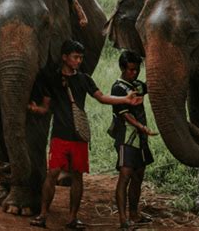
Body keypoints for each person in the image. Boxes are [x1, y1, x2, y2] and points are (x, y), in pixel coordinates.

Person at [28, 40, 143, 230]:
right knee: (53, 173)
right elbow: (46, 107)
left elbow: (102, 98)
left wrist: (125, 99)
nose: (79, 61)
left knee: (77, 176)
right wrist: (35, 109)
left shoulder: (84, 79)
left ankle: (72, 218)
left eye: (81, 57)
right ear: (64, 57)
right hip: (59, 135)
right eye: (75, 57)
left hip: (79, 136)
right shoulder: (53, 79)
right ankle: (42, 215)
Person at [109, 50, 157, 229]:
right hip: (126, 139)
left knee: (138, 176)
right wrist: (141, 127)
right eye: (130, 69)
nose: (134, 73)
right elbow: (125, 115)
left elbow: (154, 86)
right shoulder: (118, 88)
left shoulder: (138, 85)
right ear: (123, 68)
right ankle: (123, 219)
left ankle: (134, 214)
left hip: (141, 139)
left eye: (137, 69)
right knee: (125, 176)